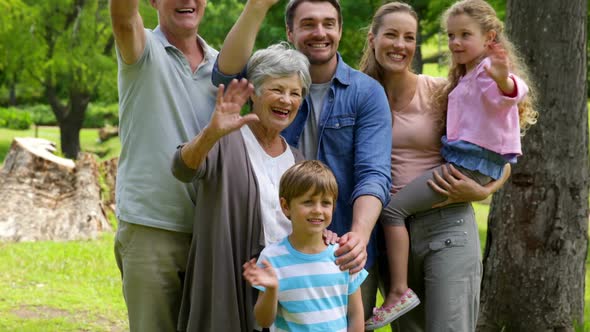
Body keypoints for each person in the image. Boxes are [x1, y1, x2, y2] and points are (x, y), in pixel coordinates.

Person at [363, 0, 538, 329]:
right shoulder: (358, 94)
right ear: (373, 39)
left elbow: (498, 155)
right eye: (391, 35)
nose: (400, 45)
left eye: (409, 37)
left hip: (444, 225)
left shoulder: (440, 91)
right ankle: (398, 290)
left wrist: (480, 189)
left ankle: (398, 290)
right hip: (392, 239)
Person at [213, 0, 392, 318]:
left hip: (339, 255)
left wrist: (358, 238)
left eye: (328, 23)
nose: (320, 32)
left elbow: (373, 174)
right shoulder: (276, 84)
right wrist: (256, 8)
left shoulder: (367, 93)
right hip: (277, 247)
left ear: (339, 29)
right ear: (290, 31)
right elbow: (223, 74)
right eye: (308, 24)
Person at [171, 43, 313, 331]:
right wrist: (211, 134)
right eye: (277, 89)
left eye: (295, 93)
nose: (286, 100)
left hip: (282, 290)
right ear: (255, 93)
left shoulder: (297, 160)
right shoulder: (226, 139)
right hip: (230, 280)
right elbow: (182, 168)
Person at [109, 0, 217, 331]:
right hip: (152, 231)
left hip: (211, 233)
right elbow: (124, 17)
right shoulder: (142, 49)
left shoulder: (221, 65)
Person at [243, 160, 367, 331]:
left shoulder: (343, 255)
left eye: (325, 203)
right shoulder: (272, 258)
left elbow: (356, 315)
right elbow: (263, 321)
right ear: (286, 206)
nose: (318, 210)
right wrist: (272, 291)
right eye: (308, 202)